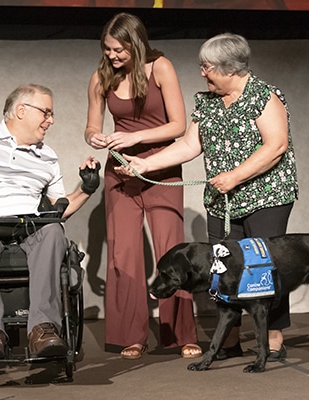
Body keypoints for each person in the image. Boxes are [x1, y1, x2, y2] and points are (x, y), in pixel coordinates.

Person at [116, 33, 299, 361]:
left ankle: (272, 333)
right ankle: (228, 336)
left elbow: (277, 146)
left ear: (231, 69)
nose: (202, 72)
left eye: (208, 67)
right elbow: (188, 145)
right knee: (223, 266)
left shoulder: (263, 96)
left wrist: (235, 176)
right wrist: (145, 162)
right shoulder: (208, 102)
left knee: (263, 266)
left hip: (266, 195)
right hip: (222, 200)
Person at [0, 84, 100, 360]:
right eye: (46, 112)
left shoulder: (47, 156)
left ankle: (43, 330)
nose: (51, 120)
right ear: (21, 110)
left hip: (28, 228)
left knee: (54, 231)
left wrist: (86, 189)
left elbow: (59, 209)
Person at [84, 12, 200, 359]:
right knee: (124, 254)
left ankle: (180, 334)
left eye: (119, 49)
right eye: (107, 49)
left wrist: (135, 136)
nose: (112, 56)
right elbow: (91, 125)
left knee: (172, 249)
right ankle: (130, 336)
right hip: (120, 171)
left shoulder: (159, 67)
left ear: (136, 44)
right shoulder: (100, 77)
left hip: (161, 169)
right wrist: (95, 137)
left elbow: (178, 125)